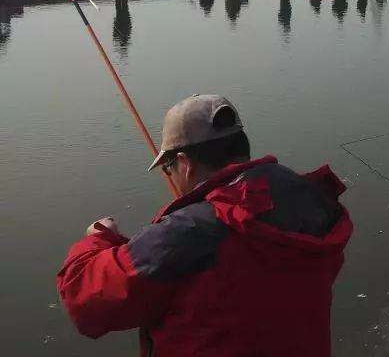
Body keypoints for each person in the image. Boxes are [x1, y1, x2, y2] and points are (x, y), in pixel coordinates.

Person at [56, 94, 352, 356]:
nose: (171, 175)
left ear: (184, 163)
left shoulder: (189, 232)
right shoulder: (307, 200)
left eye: (169, 167)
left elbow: (86, 302)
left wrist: (99, 236)